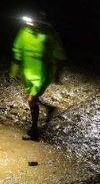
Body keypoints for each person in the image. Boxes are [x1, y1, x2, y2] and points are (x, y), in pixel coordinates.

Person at [11, 13, 66, 141]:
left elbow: (60, 55)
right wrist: (15, 67)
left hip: (43, 74)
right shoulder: (24, 30)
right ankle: (49, 108)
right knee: (32, 99)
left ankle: (34, 130)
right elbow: (18, 49)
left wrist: (57, 73)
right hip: (27, 73)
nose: (30, 22)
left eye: (33, 19)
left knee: (31, 100)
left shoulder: (50, 33)